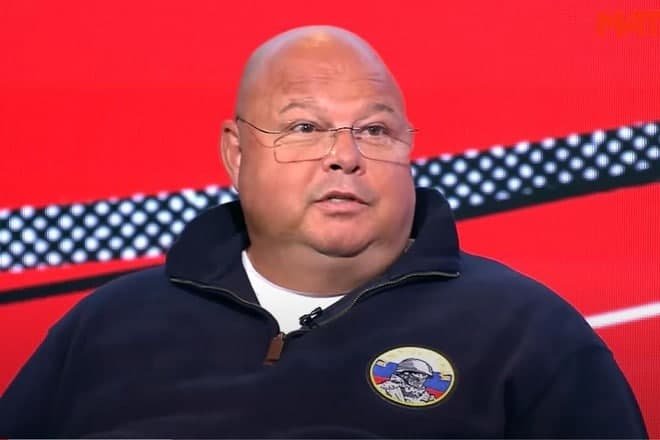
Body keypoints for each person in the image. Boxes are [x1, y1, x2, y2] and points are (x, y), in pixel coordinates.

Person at [0, 25, 648, 438]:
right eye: (305, 127)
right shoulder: (107, 328)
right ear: (235, 154)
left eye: (374, 130)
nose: (345, 155)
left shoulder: (529, 335)